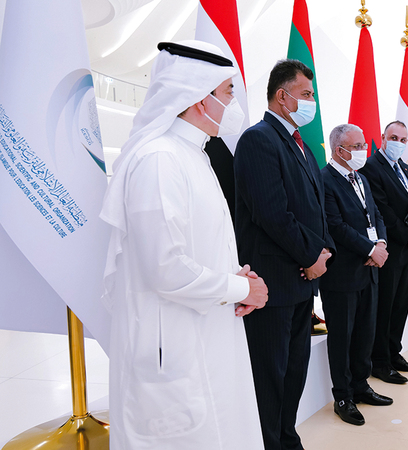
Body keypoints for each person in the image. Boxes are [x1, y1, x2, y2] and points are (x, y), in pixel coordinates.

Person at [100, 41, 268, 449]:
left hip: (206, 330)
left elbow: (197, 246)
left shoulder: (193, 154)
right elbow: (165, 267)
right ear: (199, 99)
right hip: (171, 347)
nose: (233, 104)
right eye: (228, 92)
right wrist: (241, 288)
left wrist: (236, 279)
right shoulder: (159, 159)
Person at [234, 59, 336, 450]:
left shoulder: (301, 145)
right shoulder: (258, 140)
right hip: (272, 285)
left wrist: (323, 254)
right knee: (270, 376)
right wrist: (311, 257)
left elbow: (317, 209)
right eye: (306, 94)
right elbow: (273, 214)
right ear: (282, 96)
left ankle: (287, 439)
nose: (311, 102)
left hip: (302, 283)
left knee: (294, 373)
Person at [319, 124, 393, 426]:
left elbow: (375, 215)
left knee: (365, 332)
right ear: (340, 150)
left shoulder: (360, 178)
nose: (365, 150)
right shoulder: (324, 180)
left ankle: (361, 386)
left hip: (369, 270)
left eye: (364, 145)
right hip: (342, 274)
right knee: (342, 337)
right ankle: (343, 396)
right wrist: (369, 249)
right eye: (358, 146)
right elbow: (335, 225)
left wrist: (381, 244)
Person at [359, 120, 408, 384]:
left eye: (403, 139)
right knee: (385, 307)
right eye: (394, 138)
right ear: (383, 138)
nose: (399, 143)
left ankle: (394, 353)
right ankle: (380, 362)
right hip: (389, 248)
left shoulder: (406, 168)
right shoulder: (371, 167)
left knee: (400, 305)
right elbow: (382, 210)